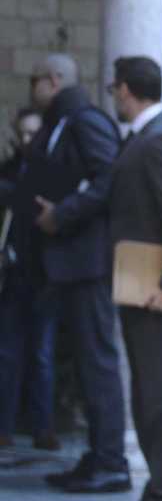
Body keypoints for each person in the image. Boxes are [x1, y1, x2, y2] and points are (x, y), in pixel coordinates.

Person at [17, 54, 129, 492]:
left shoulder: (84, 120)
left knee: (98, 364)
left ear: (53, 79)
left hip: (88, 265)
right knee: (86, 365)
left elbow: (110, 180)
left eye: (33, 81)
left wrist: (62, 214)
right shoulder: (63, 121)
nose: (31, 90)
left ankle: (111, 463)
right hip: (67, 266)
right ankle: (97, 455)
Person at [107, 56, 162, 501]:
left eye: (113, 89)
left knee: (160, 396)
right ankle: (160, 487)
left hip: (156, 292)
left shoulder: (157, 140)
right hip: (140, 288)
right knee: (148, 394)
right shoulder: (148, 137)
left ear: (124, 89)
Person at [0, 107, 61, 452]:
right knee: (7, 353)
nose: (27, 140)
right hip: (13, 275)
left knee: (42, 353)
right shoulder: (10, 169)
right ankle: (4, 426)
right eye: (21, 133)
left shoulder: (51, 172)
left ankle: (42, 427)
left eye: (32, 133)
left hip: (46, 277)